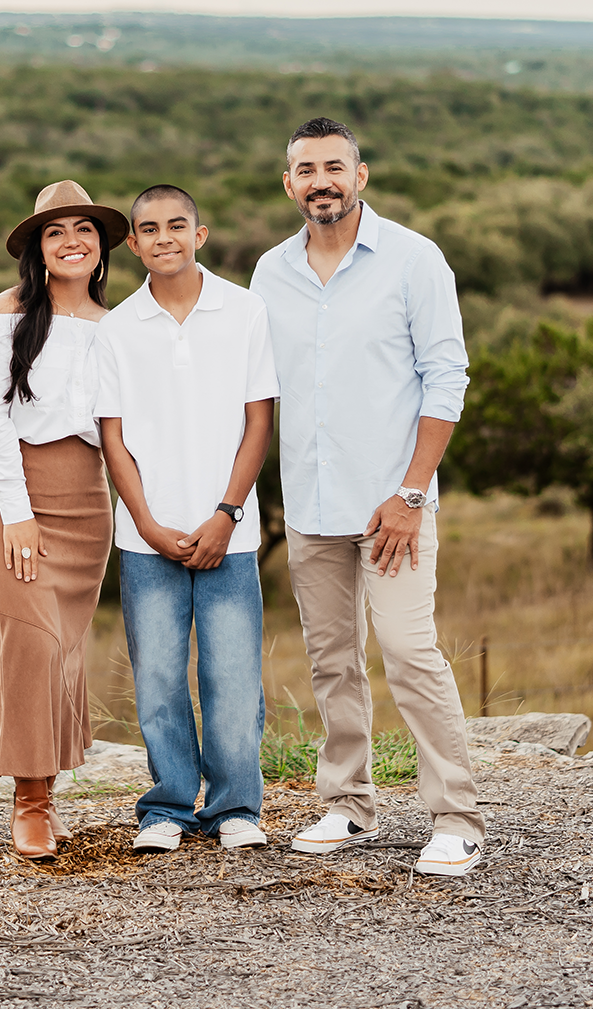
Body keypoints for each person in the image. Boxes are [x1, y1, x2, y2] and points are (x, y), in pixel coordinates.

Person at [248, 117, 486, 878]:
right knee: (332, 661)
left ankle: (456, 818)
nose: (322, 180)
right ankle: (348, 803)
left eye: (334, 167)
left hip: (394, 508)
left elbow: (447, 379)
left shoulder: (415, 261)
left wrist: (412, 493)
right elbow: (255, 389)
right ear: (289, 184)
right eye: (306, 169)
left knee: (411, 653)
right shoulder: (269, 274)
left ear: (361, 176)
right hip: (311, 507)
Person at [93, 185, 278, 855]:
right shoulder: (116, 329)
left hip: (230, 533)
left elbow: (260, 420)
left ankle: (235, 807)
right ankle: (167, 808)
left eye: (177, 225)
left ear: (199, 234)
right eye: (149, 228)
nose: (164, 237)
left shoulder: (245, 310)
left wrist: (227, 513)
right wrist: (143, 522)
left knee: (232, 680)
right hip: (148, 541)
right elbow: (112, 437)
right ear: (134, 244)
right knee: (160, 681)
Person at [0, 179, 127, 861]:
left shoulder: (119, 326)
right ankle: (28, 805)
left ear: (100, 245)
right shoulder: (6, 315)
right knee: (29, 639)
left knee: (61, 650)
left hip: (86, 503)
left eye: (83, 230)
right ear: (36, 247)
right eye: (55, 232)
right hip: (8, 495)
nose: (71, 242)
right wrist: (17, 513)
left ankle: (50, 794)